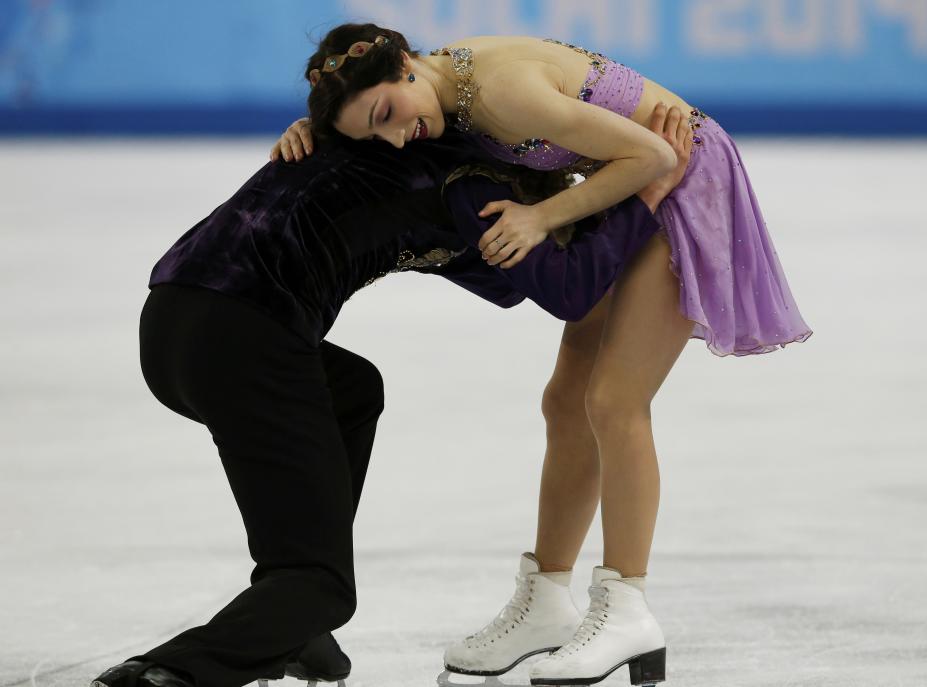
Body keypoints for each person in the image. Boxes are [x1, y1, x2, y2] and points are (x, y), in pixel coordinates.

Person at [273, 23, 813, 686]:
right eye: (372, 134)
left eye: (387, 115)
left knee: (615, 400)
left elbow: (653, 156)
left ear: (406, 65)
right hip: (626, 184)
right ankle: (548, 600)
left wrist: (542, 217)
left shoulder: (503, 92)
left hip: (679, 178)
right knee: (566, 401)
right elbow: (366, 113)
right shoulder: (435, 88)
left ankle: (628, 607)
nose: (393, 136)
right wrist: (311, 134)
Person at [89, 97, 691, 687]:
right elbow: (571, 291)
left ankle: (296, 633)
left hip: (170, 326)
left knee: (351, 390)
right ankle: (168, 671)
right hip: (246, 344)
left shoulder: (395, 137)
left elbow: (505, 284)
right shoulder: (476, 186)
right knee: (320, 587)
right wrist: (642, 197)